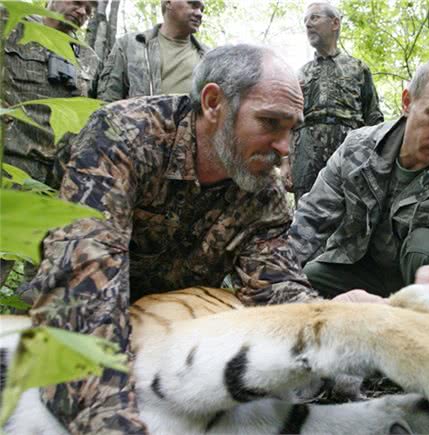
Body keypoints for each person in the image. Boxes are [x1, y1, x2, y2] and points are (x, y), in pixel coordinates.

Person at [24, 45, 319, 434]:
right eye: (270, 123)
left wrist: (336, 322)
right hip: (96, 311)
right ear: (214, 103)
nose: (285, 148)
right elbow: (81, 286)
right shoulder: (124, 135)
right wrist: (111, 421)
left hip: (169, 327)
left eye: (291, 129)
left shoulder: (263, 186)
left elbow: (276, 285)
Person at [289, 57, 429, 316]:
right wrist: (268, 277)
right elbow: (309, 223)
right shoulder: (357, 150)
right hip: (360, 277)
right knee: (307, 277)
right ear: (407, 102)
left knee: (425, 246)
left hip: (423, 296)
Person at [290, 2, 384, 201]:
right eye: (305, 20)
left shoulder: (358, 68)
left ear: (335, 23)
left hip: (351, 155)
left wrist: (376, 161)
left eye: (314, 18)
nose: (308, 24)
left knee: (352, 213)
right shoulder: (298, 75)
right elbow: (288, 123)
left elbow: (374, 118)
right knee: (306, 217)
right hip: (306, 157)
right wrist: (285, 162)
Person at [3, 0, 99, 185]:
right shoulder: (11, 23)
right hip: (9, 160)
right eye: (77, 2)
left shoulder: (89, 58)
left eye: (88, 10)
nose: (81, 12)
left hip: (56, 175)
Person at [97, 0, 208, 102]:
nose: (199, 13)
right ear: (169, 3)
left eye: (201, 9)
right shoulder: (130, 45)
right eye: (193, 5)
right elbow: (107, 101)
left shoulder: (209, 58)